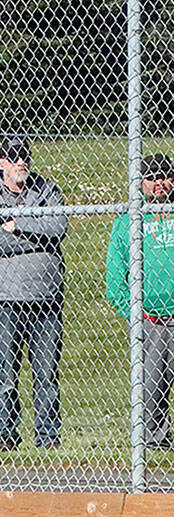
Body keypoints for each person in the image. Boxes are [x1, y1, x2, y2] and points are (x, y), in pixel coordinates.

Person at [0, 136, 68, 451]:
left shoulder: (48, 191)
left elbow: (58, 228)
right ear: (0, 163)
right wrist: (37, 235)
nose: (19, 162)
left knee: (46, 373)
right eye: (12, 158)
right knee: (6, 373)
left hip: (45, 296)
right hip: (2, 298)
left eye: (23, 156)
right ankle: (7, 437)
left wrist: (17, 224)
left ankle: (48, 437)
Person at [106, 153, 174, 449]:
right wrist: (135, 315)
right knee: (153, 386)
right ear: (141, 183)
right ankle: (154, 441)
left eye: (165, 176)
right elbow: (115, 276)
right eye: (151, 178)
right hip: (152, 320)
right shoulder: (128, 221)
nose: (159, 183)